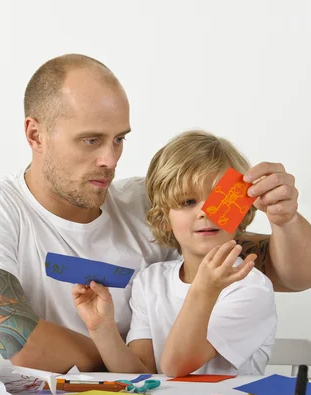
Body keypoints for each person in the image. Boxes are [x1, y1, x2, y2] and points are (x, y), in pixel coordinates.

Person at [0, 54, 311, 373]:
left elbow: (296, 275)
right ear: (35, 135)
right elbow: (17, 343)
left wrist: (285, 217)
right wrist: (143, 365)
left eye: (119, 139)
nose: (110, 160)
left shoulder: (143, 202)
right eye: (91, 140)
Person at [73, 130, 276, 376]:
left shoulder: (251, 288)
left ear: (241, 210)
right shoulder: (150, 282)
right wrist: (102, 329)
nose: (205, 212)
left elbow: (176, 367)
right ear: (164, 218)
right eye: (188, 202)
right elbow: (141, 374)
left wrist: (203, 288)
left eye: (218, 200)